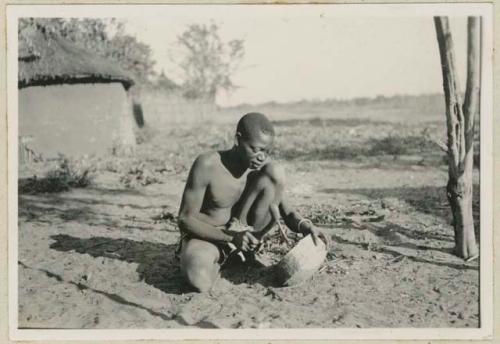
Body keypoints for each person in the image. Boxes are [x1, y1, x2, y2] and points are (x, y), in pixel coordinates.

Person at [177, 112, 329, 292]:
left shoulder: (263, 171)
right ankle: (224, 259)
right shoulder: (207, 164)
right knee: (199, 279)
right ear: (237, 139)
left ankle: (242, 255)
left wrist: (306, 226)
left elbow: (287, 212)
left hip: (245, 237)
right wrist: (231, 237)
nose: (261, 157)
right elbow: (185, 219)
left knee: (275, 172)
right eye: (255, 149)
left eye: (266, 151)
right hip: (209, 236)